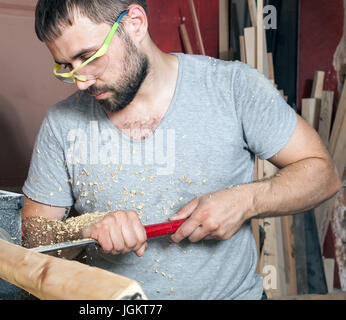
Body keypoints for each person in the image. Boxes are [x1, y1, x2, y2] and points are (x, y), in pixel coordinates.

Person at [22, 0, 340, 299]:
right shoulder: (61, 124)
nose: (80, 80)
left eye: (89, 56)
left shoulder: (232, 88)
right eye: (66, 66)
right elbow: (34, 238)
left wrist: (245, 200)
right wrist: (85, 228)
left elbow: (322, 173)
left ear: (134, 23)